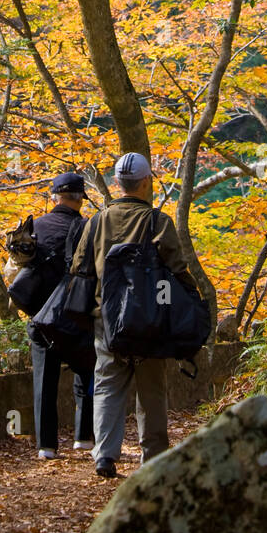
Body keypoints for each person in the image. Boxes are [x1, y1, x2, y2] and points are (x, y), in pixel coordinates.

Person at [70, 151, 200, 479]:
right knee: (151, 389)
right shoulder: (158, 221)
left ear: (116, 183)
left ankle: (105, 455)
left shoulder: (98, 221)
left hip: (107, 319)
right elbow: (177, 267)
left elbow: (79, 266)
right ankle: (153, 457)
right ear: (146, 183)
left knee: (108, 385)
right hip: (150, 319)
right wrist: (192, 303)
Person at [29, 172, 95, 461]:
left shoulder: (36, 227)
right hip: (79, 316)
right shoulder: (90, 228)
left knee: (45, 380)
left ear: (55, 196)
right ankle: (84, 436)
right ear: (81, 198)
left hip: (43, 318)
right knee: (88, 371)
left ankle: (47, 445)